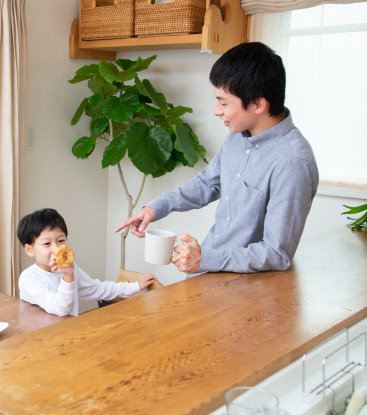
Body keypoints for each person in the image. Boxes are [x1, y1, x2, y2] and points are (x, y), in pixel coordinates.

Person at [115, 42, 319, 276]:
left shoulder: (293, 162)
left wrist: (206, 259)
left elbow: (276, 254)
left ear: (258, 104)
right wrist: (155, 207)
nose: (216, 110)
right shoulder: (237, 135)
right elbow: (207, 184)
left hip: (244, 287)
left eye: (224, 103)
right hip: (206, 273)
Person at [17, 208, 158, 316]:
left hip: (68, 333)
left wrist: (135, 286)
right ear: (30, 250)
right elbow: (60, 309)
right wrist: (68, 277)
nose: (56, 249)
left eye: (61, 241)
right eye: (47, 244)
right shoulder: (29, 279)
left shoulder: (70, 269)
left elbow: (97, 289)